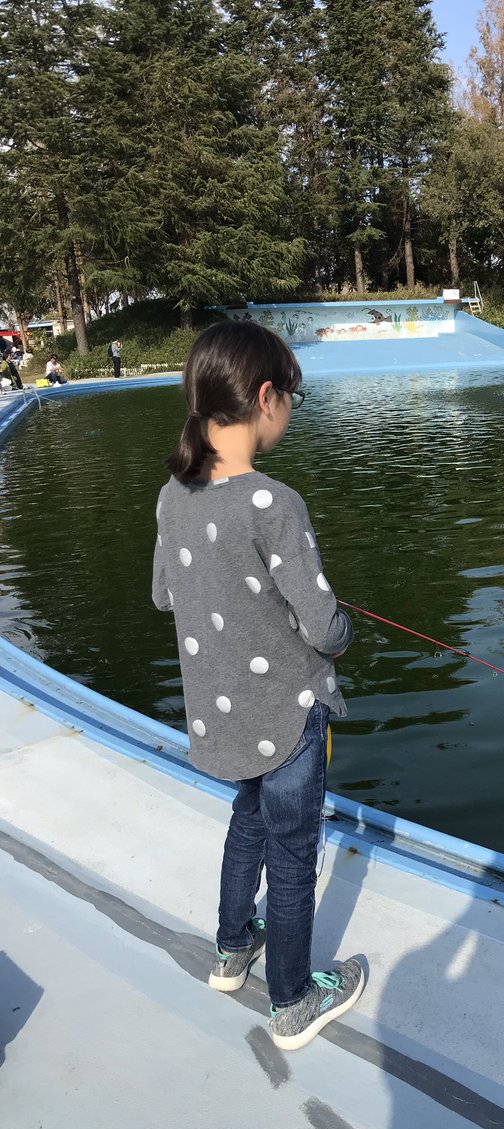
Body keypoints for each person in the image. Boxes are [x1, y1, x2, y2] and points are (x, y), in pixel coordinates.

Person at [151, 321, 363, 1051]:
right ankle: (294, 1000)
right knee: (293, 851)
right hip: (288, 711)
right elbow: (322, 628)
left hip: (222, 713)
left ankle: (231, 949)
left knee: (248, 821)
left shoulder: (172, 496)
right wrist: (345, 630)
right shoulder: (275, 503)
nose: (292, 410)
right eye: (292, 396)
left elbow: (162, 594)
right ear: (266, 397)